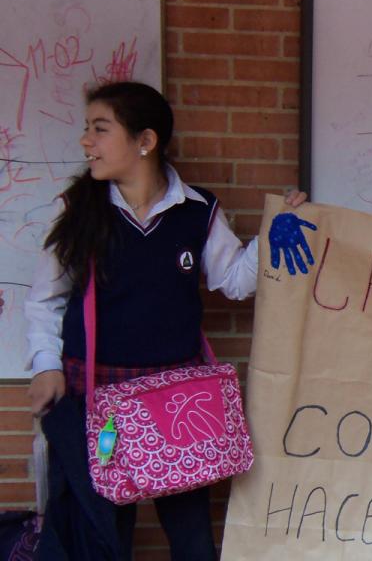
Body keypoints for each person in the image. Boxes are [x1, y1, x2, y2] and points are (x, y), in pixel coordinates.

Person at [24, 81, 307, 560]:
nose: (86, 142)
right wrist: (46, 365)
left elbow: (235, 281)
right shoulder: (78, 209)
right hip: (96, 399)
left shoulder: (197, 211)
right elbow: (45, 299)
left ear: (145, 141)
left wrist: (275, 231)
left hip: (178, 404)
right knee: (100, 536)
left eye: (99, 129)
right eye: (87, 129)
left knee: (193, 539)